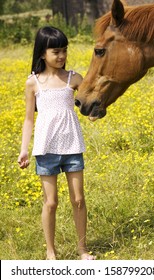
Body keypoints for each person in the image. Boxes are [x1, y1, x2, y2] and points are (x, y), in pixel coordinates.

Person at [18, 26, 95, 260]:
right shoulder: (33, 83)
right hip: (46, 149)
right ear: (42, 53)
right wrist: (24, 150)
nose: (61, 56)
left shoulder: (74, 78)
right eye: (56, 51)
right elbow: (29, 119)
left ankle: (83, 249)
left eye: (64, 50)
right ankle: (50, 251)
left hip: (72, 147)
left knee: (79, 199)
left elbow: (90, 101)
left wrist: (92, 112)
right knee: (50, 203)